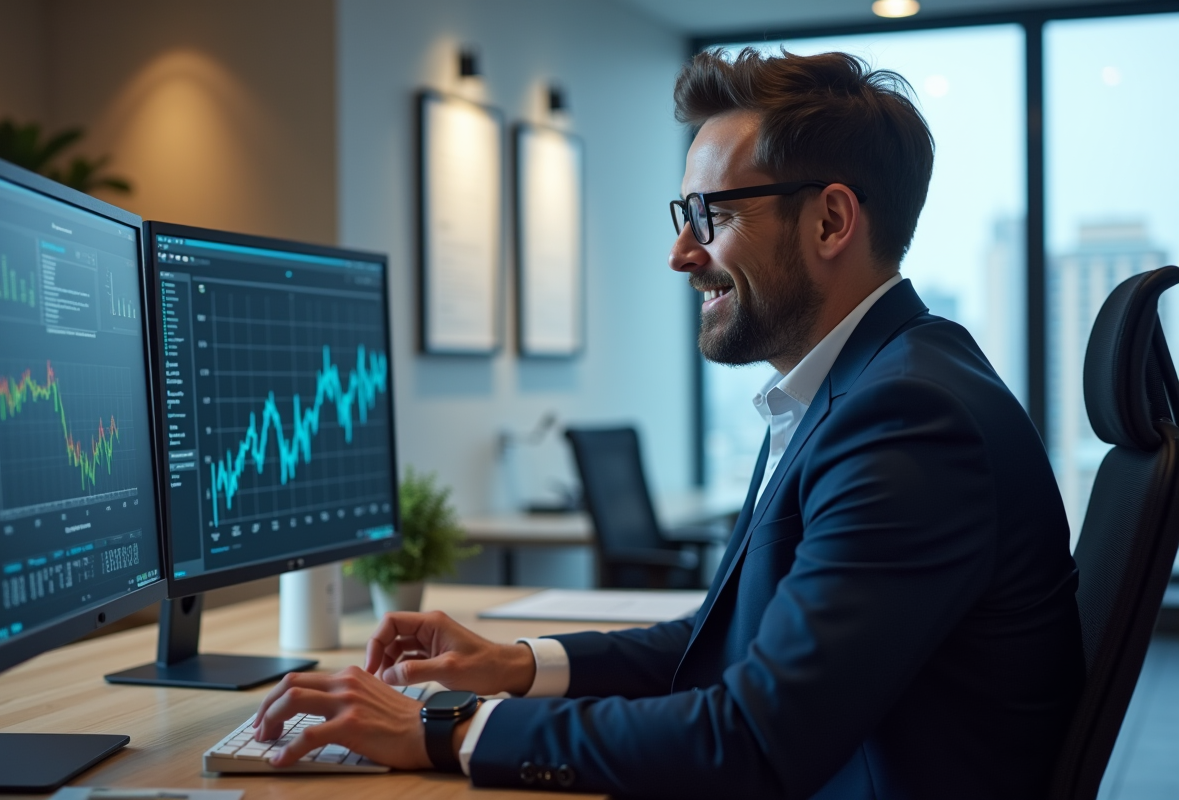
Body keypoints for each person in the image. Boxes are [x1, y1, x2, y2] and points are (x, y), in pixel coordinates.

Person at [252, 48, 1085, 799]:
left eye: (712, 215)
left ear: (831, 221)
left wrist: (447, 730)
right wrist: (510, 665)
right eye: (681, 214)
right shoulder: (859, 384)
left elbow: (754, 741)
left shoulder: (907, 422)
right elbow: (729, 643)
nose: (681, 252)